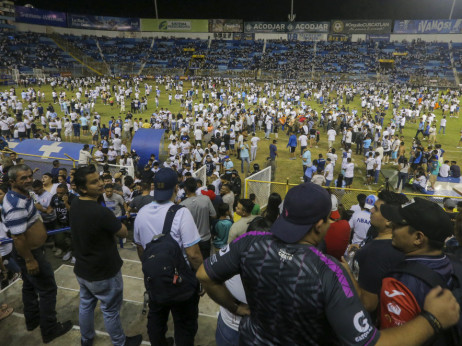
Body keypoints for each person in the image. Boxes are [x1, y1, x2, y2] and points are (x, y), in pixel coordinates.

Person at [197, 182, 461, 345]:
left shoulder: (250, 240)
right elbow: (370, 343)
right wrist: (433, 320)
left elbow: (204, 275)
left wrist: (234, 306)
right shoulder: (330, 272)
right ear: (320, 224)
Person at [70, 165, 142, 346]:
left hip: (83, 268)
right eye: (94, 182)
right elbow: (124, 232)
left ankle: (86, 338)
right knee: (110, 310)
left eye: (100, 179)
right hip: (103, 271)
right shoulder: (100, 212)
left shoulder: (76, 203)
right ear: (83, 188)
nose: (101, 184)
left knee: (86, 304)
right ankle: (120, 342)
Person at [2, 164, 72, 343]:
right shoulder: (15, 204)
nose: (28, 180)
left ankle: (32, 320)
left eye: (29, 176)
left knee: (29, 286)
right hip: (31, 254)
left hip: (31, 252)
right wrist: (30, 260)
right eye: (23, 178)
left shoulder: (23, 195)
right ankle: (50, 329)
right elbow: (18, 238)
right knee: (48, 289)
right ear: (12, 182)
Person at [133, 168, 203, 346]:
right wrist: (203, 277)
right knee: (185, 324)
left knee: (156, 317)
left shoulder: (141, 213)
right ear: (176, 188)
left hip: (154, 278)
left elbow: (140, 249)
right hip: (181, 280)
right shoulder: (181, 213)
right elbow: (193, 254)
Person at [379, 198, 460, 342]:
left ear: (418, 238)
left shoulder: (397, 283)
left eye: (399, 224)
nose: (392, 225)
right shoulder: (454, 262)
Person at [342, 191, 408, 313]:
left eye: (376, 209)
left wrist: (347, 273)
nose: (371, 210)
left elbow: (368, 304)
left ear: (388, 220)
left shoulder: (375, 253)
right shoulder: (395, 244)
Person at [180, 177, 217, 261]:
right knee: (206, 263)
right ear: (196, 186)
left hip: (191, 241)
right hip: (205, 238)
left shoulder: (183, 204)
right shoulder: (206, 199)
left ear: (185, 189)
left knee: (194, 263)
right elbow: (214, 215)